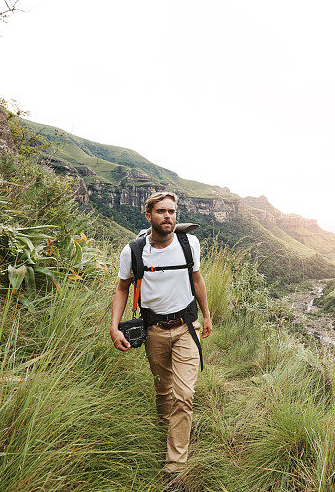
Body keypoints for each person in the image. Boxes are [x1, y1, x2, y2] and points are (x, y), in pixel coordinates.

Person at [110, 191, 213, 479]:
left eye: (172, 211)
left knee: (183, 394)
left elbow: (197, 279)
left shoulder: (189, 243)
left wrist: (207, 315)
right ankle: (170, 428)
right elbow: (122, 288)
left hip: (186, 328)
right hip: (153, 329)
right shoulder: (133, 251)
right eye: (161, 211)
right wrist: (114, 326)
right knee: (163, 390)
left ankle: (175, 466)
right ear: (148, 215)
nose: (167, 216)